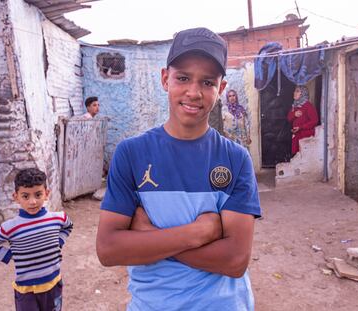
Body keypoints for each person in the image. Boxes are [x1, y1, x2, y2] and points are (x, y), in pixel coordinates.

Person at [97, 27, 261, 311]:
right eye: (183, 78)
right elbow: (109, 250)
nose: (193, 92)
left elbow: (234, 261)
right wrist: (198, 232)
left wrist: (149, 235)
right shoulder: (131, 154)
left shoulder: (236, 159)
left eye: (207, 82)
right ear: (165, 79)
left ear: (221, 89)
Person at [0, 168, 73, 311]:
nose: (33, 202)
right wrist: (11, 255)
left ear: (47, 194)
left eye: (38, 194)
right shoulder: (9, 228)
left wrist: (58, 242)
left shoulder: (58, 218)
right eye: (25, 196)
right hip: (27, 291)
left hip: (53, 284)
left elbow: (68, 226)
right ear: (16, 197)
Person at [287, 85, 319, 155]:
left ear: (303, 94)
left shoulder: (308, 106)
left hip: (305, 136)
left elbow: (315, 121)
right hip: (296, 135)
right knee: (296, 155)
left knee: (303, 155)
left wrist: (301, 127)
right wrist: (294, 114)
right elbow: (289, 118)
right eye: (295, 91)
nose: (294, 93)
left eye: (297, 91)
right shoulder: (295, 105)